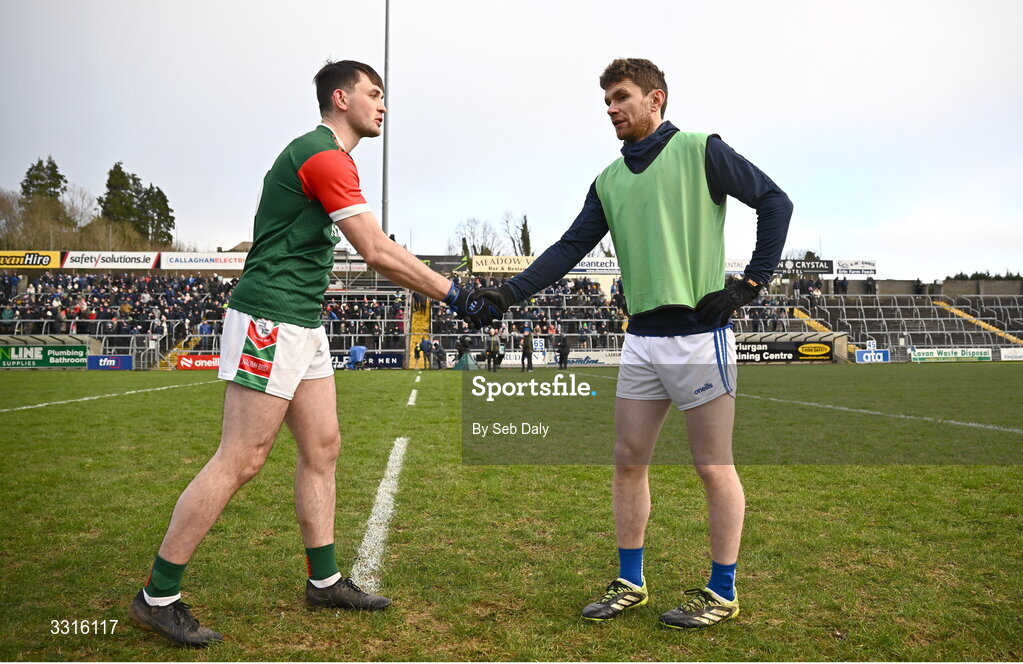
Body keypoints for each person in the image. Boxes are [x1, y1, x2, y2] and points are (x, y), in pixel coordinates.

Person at [129, 60, 501, 648]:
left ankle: (323, 580)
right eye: (373, 94)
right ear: (340, 98)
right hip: (270, 318)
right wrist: (456, 293)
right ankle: (158, 596)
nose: (383, 105)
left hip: (302, 320)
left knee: (323, 446)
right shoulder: (322, 154)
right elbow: (376, 250)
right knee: (242, 459)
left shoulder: (336, 160)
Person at [479, 58, 791, 630]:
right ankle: (631, 580)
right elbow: (569, 248)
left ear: (657, 99)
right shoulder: (609, 180)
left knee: (712, 466)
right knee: (628, 461)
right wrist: (506, 294)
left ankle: (722, 590)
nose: (612, 109)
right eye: (607, 102)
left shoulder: (702, 148)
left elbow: (776, 201)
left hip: (699, 336)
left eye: (621, 98)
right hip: (642, 339)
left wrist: (750, 285)